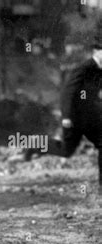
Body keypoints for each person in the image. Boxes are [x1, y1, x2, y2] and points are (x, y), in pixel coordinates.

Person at [26, 36, 102, 194]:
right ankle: (36, 144)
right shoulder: (84, 68)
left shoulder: (98, 71)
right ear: (97, 52)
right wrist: (67, 116)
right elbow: (67, 93)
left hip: (89, 118)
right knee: (66, 150)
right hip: (74, 118)